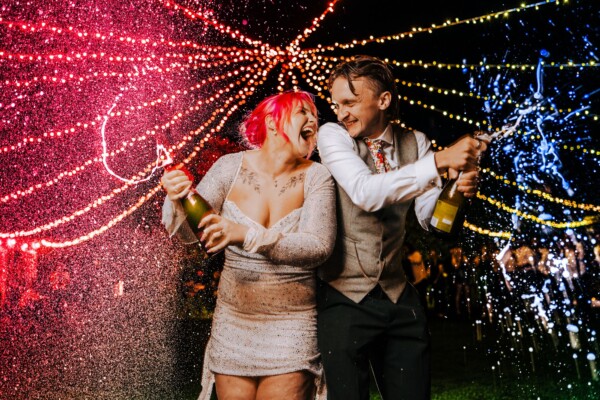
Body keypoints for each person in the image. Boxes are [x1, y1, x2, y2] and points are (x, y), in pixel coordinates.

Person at [315, 55, 487, 400]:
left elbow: (430, 220)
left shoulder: (416, 142)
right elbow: (365, 192)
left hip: (399, 298)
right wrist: (440, 161)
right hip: (342, 298)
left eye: (350, 102)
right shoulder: (332, 136)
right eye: (337, 104)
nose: (341, 112)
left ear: (383, 100)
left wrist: (456, 187)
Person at [161, 90, 336, 400]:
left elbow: (318, 247)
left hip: (291, 328)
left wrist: (247, 235)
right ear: (271, 122)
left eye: (314, 115)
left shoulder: (317, 177)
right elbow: (191, 234)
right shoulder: (229, 167)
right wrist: (176, 199)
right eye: (302, 112)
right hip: (233, 324)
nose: (312, 119)